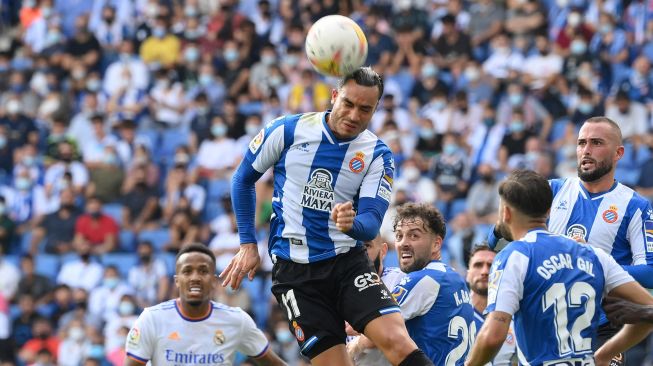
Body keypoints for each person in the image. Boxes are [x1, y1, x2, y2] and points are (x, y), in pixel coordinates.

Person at [222, 67, 432, 366]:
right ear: (334, 96)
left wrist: (352, 225)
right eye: (348, 104)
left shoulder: (376, 154)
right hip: (295, 275)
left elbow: (372, 220)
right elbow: (242, 179)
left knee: (397, 340)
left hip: (347, 264)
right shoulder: (286, 130)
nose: (354, 115)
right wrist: (247, 244)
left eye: (365, 109)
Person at [487, 116, 653, 363]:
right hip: (545, 324)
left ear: (618, 153)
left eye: (596, 143)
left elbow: (649, 272)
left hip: (601, 329)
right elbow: (495, 242)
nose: (586, 150)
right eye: (581, 143)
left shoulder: (636, 207)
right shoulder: (552, 191)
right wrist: (505, 221)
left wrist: (595, 261)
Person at [123, 243, 285, 365]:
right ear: (177, 281)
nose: (195, 277)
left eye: (203, 271)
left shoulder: (237, 320)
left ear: (214, 281)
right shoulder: (152, 319)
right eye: (187, 271)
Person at [387, 203, 475, 365]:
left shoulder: (424, 279)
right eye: (399, 236)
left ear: (436, 244)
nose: (404, 243)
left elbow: (379, 330)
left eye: (414, 236)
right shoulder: (455, 278)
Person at [346, 234, 405, 366]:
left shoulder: (399, 280)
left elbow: (391, 327)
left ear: (383, 251)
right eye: (352, 246)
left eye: (366, 246)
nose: (359, 252)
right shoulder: (338, 289)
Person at [466, 245, 515, 365]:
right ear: (468, 274)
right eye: (478, 265)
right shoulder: (454, 313)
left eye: (491, 266)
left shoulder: (516, 318)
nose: (484, 272)